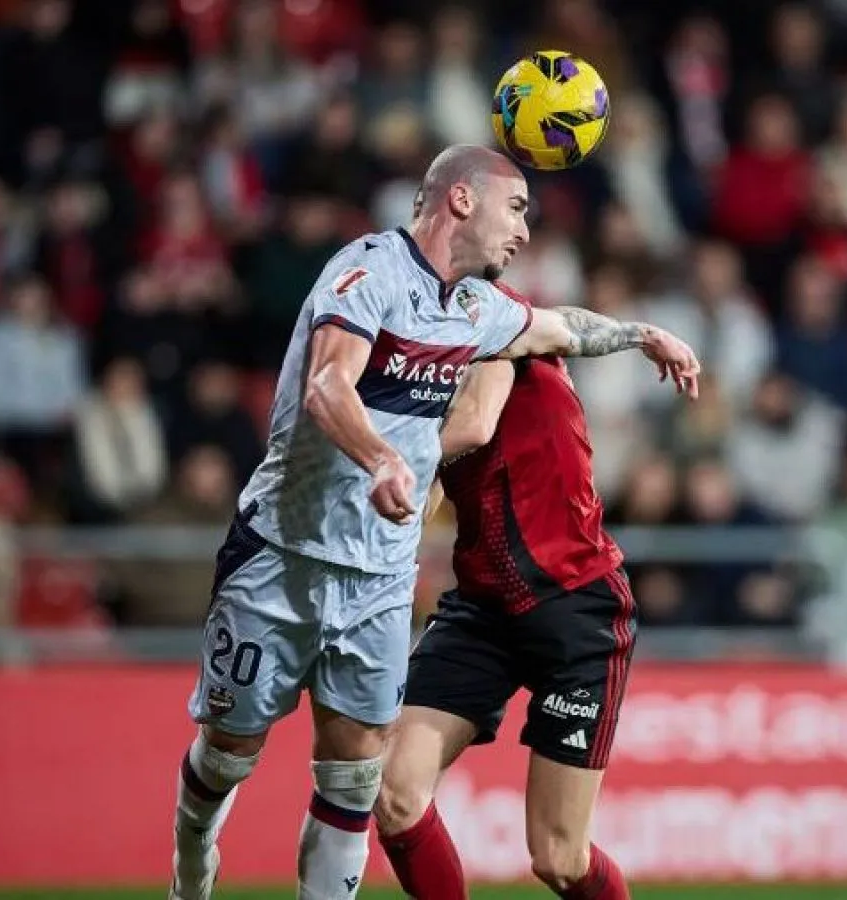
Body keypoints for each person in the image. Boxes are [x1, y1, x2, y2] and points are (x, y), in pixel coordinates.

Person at [167, 144, 700, 900]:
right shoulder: (367, 273)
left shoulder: (480, 313)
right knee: (230, 751)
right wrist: (385, 458)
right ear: (460, 200)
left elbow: (562, 327)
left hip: (397, 576)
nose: (524, 229)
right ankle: (193, 859)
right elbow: (327, 385)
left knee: (361, 779)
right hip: (284, 555)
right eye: (515, 208)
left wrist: (643, 334)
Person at [368, 283, 678, 900]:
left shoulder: (481, 319)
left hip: (576, 604)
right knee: (394, 793)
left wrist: (380, 444)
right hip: (483, 607)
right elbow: (424, 496)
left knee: (559, 859)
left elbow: (479, 422)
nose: (520, 231)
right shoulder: (414, 374)